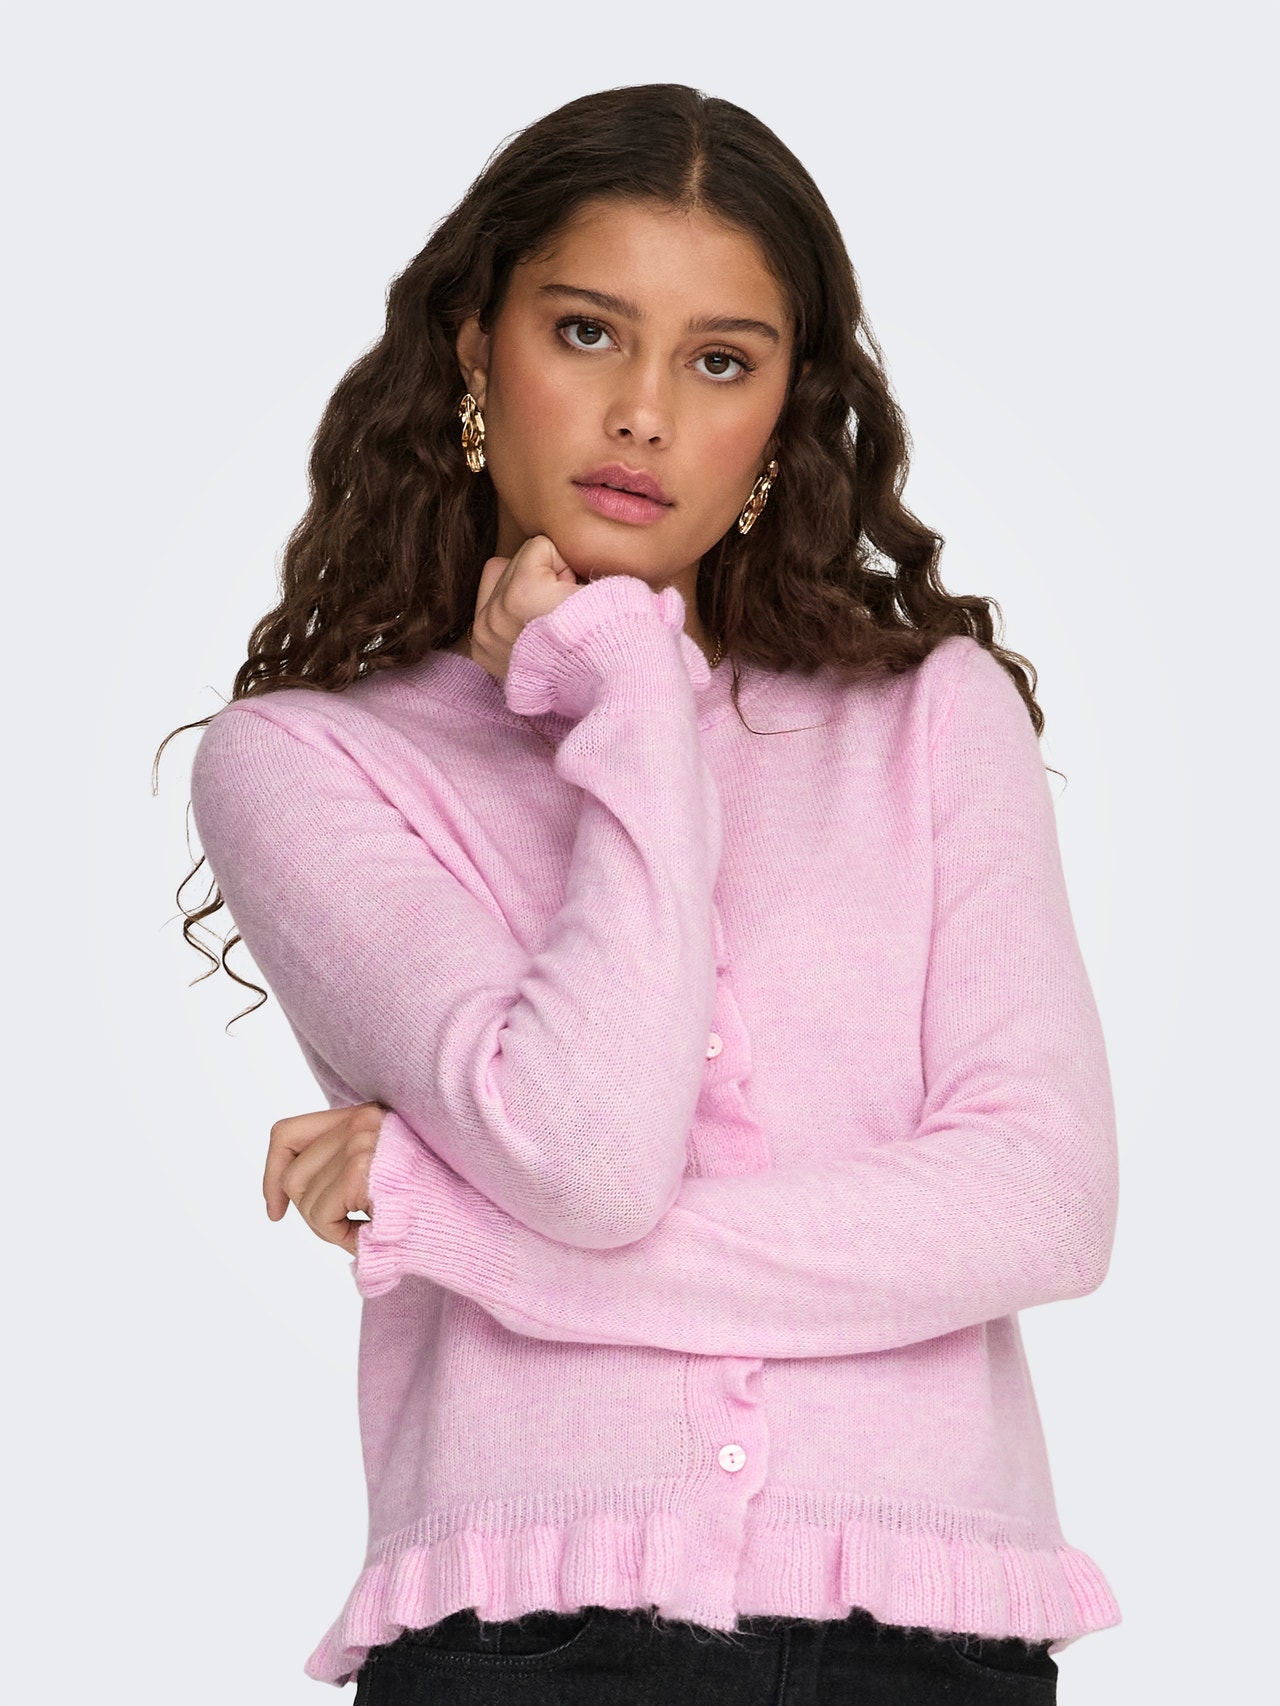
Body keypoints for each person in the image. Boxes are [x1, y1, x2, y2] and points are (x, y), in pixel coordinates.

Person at [163, 83, 1121, 1702]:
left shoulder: (930, 718)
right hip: (530, 1640)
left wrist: (463, 1229)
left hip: (931, 1646)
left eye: (720, 361)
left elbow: (1042, 1204)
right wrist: (626, 682)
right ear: (476, 349)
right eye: (588, 331)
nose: (645, 414)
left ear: (785, 414)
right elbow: (591, 1153)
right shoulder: (310, 764)